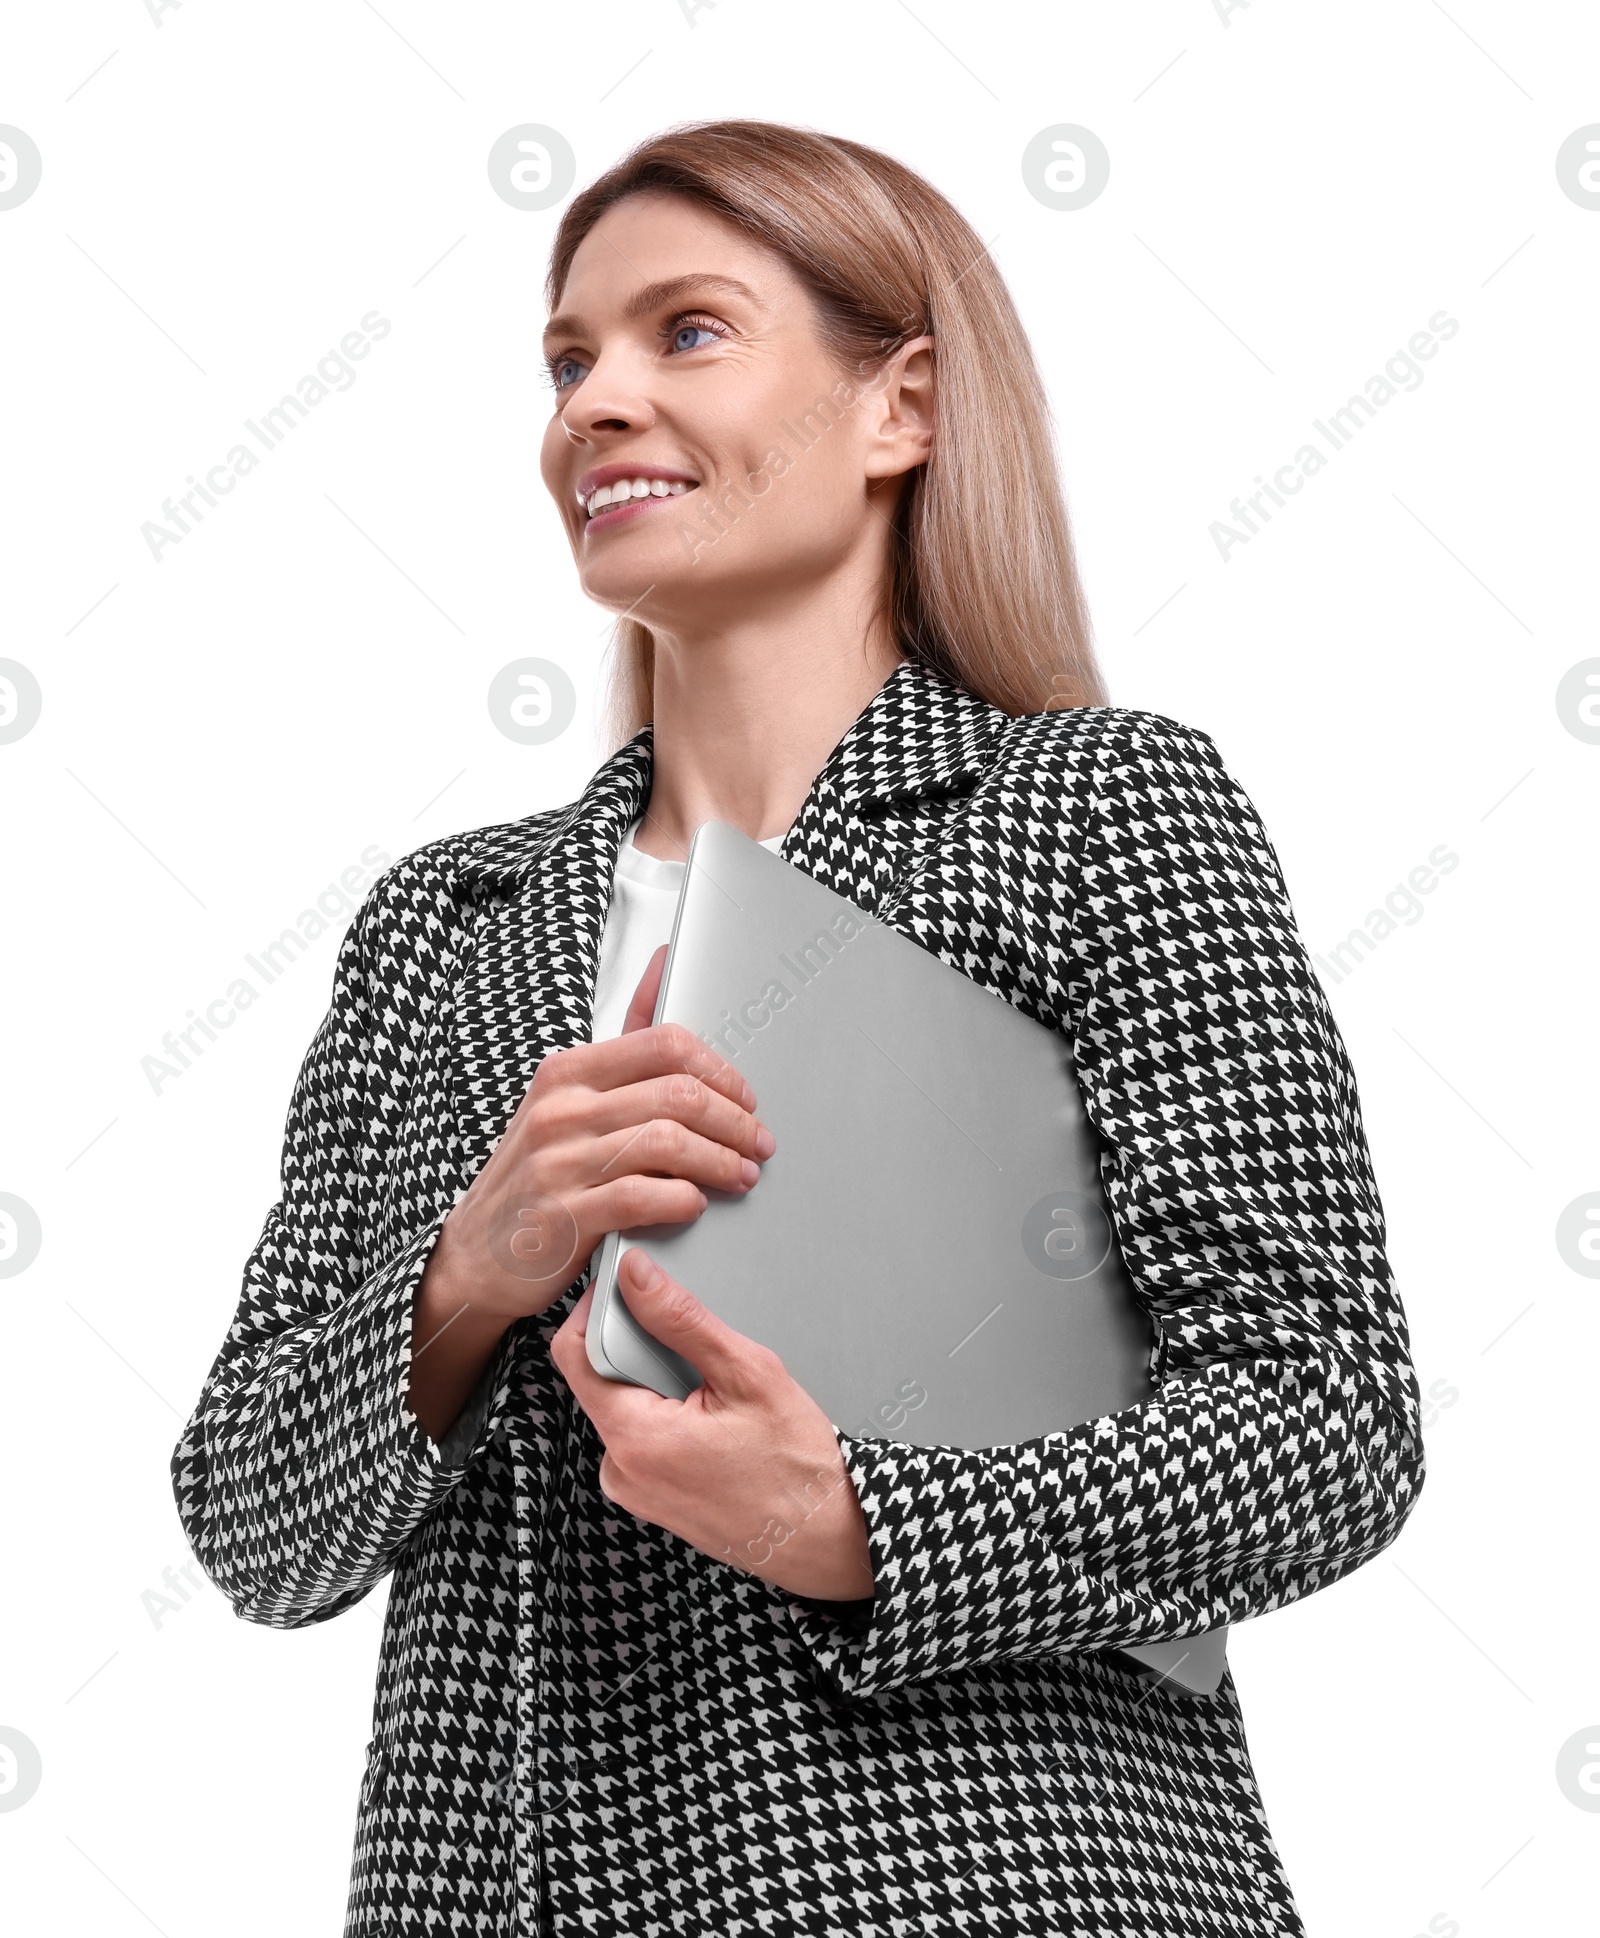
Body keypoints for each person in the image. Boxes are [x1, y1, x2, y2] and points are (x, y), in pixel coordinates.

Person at [171, 119, 1426, 1936]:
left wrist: (869, 1526)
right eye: (567, 357)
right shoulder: (444, 924)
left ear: (899, 405)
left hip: (982, 1886)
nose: (595, 399)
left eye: (686, 331)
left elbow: (1328, 1423)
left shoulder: (1092, 812)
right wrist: (471, 1269)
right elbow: (252, 1526)